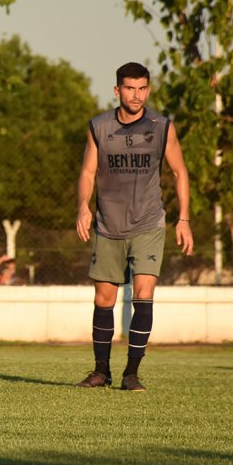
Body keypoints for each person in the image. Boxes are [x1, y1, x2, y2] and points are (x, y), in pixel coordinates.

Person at [74, 62, 194, 392]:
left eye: (142, 88)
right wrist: (83, 207)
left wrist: (184, 219)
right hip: (108, 224)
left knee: (143, 294)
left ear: (148, 90)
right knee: (104, 299)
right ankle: (101, 371)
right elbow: (87, 172)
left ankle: (131, 373)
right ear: (117, 90)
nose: (136, 95)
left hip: (148, 223)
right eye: (129, 88)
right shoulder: (99, 126)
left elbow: (179, 172)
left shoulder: (161, 127)